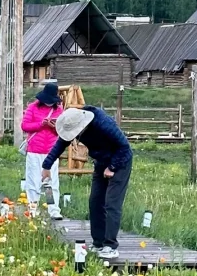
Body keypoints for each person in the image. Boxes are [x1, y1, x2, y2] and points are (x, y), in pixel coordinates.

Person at [42, 105, 132, 256]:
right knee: (95, 202)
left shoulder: (102, 123)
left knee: (111, 203)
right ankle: (98, 243)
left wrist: (112, 167)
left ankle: (110, 246)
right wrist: (46, 166)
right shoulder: (73, 124)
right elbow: (60, 143)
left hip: (120, 161)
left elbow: (124, 146)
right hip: (101, 162)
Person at [21, 80, 63, 217]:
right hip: (34, 150)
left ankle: (53, 209)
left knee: (51, 183)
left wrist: (54, 126)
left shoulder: (59, 110)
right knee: (33, 181)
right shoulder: (32, 107)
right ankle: (33, 208)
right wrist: (41, 124)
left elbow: (63, 131)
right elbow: (25, 126)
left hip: (51, 151)